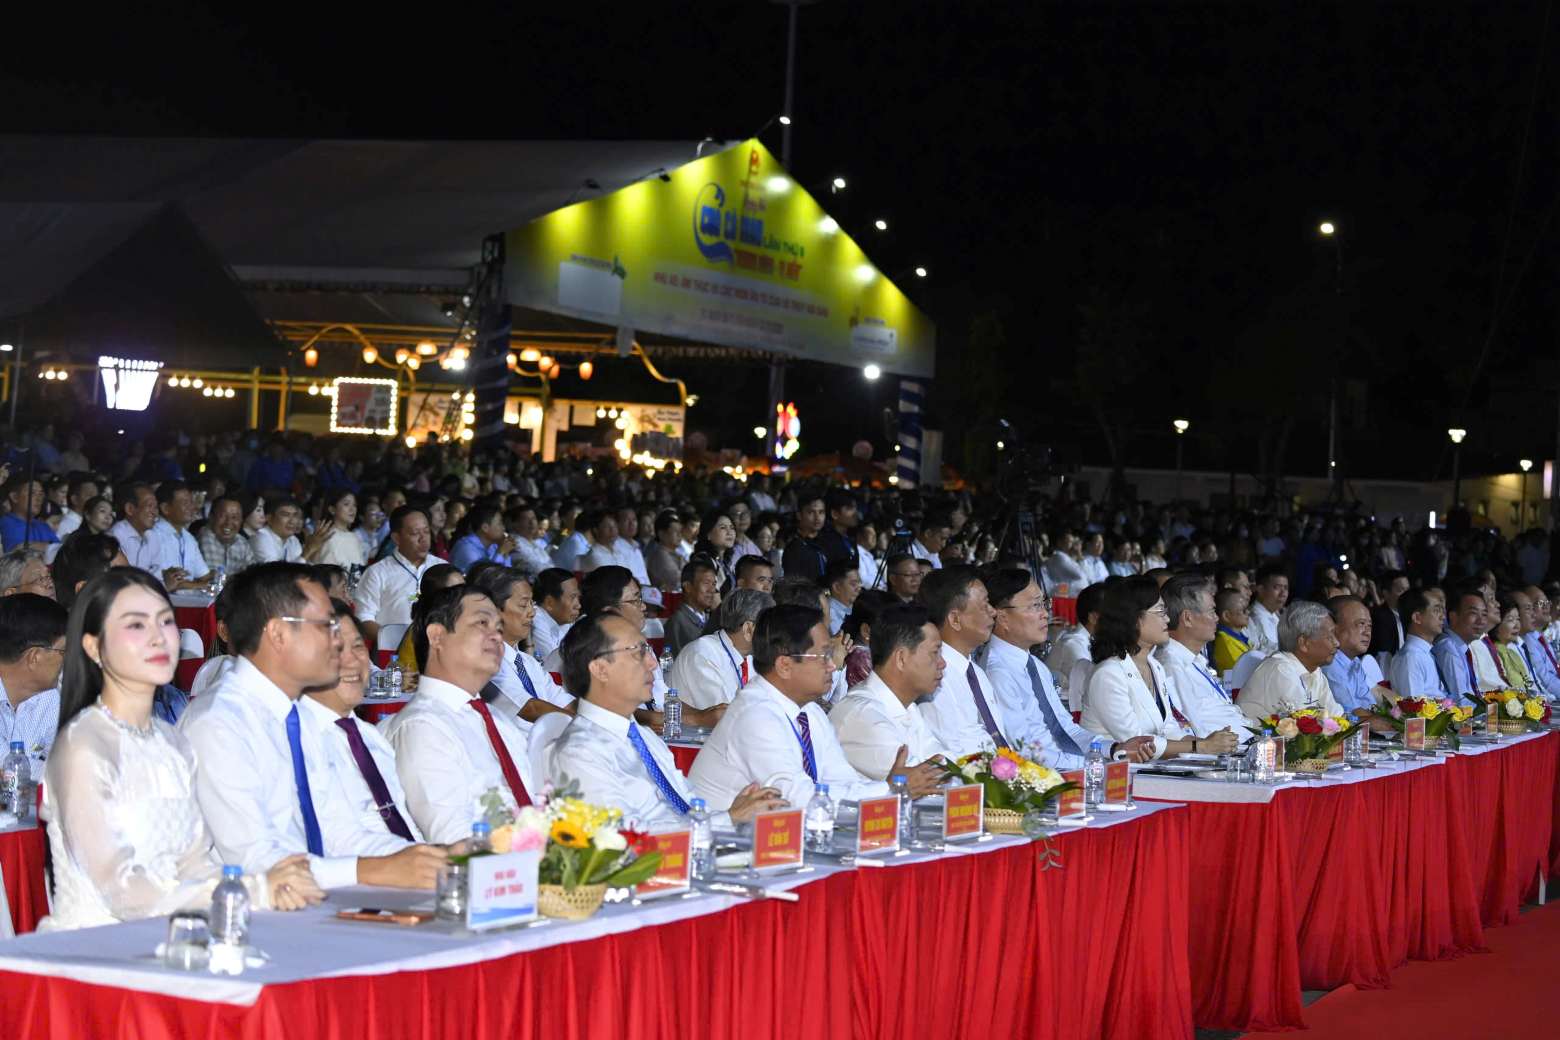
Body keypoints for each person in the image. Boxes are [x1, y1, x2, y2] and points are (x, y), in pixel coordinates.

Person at [40, 568, 323, 930]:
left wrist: (252, 887)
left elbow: (195, 864)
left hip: (175, 937)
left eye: (166, 621)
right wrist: (252, 891)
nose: (158, 638)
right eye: (136, 625)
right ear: (94, 646)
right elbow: (122, 891)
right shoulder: (83, 745)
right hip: (100, 954)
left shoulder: (172, 742)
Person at [181, 563, 446, 890]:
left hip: (314, 892)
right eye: (325, 627)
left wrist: (430, 860)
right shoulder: (219, 723)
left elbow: (338, 829)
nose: (339, 645)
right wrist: (366, 872)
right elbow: (253, 859)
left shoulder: (302, 718)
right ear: (278, 634)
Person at [548, 611, 785, 830]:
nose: (652, 663)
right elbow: (625, 838)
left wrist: (731, 811)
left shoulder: (643, 736)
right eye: (638, 652)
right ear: (600, 669)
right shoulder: (580, 752)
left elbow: (688, 804)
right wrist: (728, 819)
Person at [690, 604, 892, 811]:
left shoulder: (809, 711)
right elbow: (795, 798)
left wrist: (887, 791)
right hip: (720, 837)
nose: (832, 665)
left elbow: (842, 779)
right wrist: (890, 790)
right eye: (823, 656)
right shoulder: (754, 715)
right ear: (785, 665)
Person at [382, 586, 537, 844]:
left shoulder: (498, 722)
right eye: (481, 623)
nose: (497, 637)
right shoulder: (422, 727)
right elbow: (452, 839)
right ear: (437, 636)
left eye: (499, 628)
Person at [983, 569, 1155, 768]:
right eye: (1035, 605)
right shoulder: (997, 673)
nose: (1045, 614)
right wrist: (1092, 763)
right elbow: (1022, 750)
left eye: (1045, 604)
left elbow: (1066, 730)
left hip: (1067, 768)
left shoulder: (1035, 666)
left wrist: (1114, 749)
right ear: (1002, 617)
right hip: (1041, 777)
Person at [299, 604, 426, 848]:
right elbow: (332, 843)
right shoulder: (296, 740)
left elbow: (403, 819)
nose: (353, 660)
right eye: (336, 648)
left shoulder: (371, 736)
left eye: (358, 646)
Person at [1081, 577, 1232, 760]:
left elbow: (1167, 727)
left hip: (1151, 770)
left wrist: (1209, 745)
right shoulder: (1109, 674)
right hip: (1112, 775)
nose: (1168, 619)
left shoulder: (1155, 666)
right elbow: (1135, 741)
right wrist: (1200, 746)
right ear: (1135, 618)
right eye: (1161, 612)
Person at [831, 603, 959, 785]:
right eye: (934, 653)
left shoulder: (909, 708)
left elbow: (947, 762)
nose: (942, 663)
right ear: (901, 658)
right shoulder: (863, 714)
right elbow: (925, 781)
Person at [466, 567, 574, 730]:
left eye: (532, 603)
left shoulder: (527, 662)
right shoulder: (483, 662)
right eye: (524, 605)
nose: (532, 613)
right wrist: (582, 723)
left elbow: (564, 701)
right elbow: (530, 708)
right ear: (494, 610)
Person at [918, 566, 1009, 758]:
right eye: (985, 605)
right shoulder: (934, 677)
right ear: (955, 619)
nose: (993, 612)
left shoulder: (976, 673)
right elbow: (954, 755)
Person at [1153, 574, 1256, 743]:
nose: (1217, 618)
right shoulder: (1171, 666)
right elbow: (1194, 730)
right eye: (1211, 611)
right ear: (1188, 618)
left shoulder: (1194, 660)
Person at [1236, 601, 1348, 721]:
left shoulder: (1315, 671)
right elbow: (1304, 729)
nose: (1337, 643)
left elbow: (1337, 719)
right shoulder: (1281, 670)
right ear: (1304, 643)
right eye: (1330, 636)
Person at [354, 505, 445, 647]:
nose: (423, 538)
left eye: (426, 531)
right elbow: (363, 618)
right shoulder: (377, 572)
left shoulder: (442, 568)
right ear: (397, 538)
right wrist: (398, 642)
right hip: (392, 654)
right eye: (415, 533)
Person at [668, 588, 771, 711]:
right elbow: (725, 716)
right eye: (769, 626)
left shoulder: (748, 658)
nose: (773, 634)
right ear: (748, 629)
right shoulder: (702, 654)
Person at [0, 593, 68, 775]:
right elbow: (7, 770)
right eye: (63, 651)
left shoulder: (49, 698)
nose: (67, 660)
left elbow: (69, 757)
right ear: (34, 657)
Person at [1320, 595, 1393, 721]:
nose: (1367, 632)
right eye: (1361, 624)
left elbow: (1369, 705)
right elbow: (1353, 715)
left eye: (1369, 626)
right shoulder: (1330, 663)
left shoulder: (1354, 661)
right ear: (1334, 628)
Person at [1045, 580, 1104, 710]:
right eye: (1113, 616)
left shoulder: (1095, 641)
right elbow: (1095, 692)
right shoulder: (1073, 645)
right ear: (1094, 618)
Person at [110, 483, 179, 586]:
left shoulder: (153, 537)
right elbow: (120, 581)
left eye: (155, 507)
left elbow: (157, 578)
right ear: (130, 509)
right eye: (149, 506)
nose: (155, 513)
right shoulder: (115, 536)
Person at [1432, 582, 1489, 700]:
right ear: (1453, 616)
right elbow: (1461, 700)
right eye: (1473, 613)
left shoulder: (1461, 647)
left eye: (1484, 614)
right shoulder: (1448, 648)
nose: (1481, 621)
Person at [1388, 587, 1447, 700]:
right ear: (1417, 618)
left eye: (1442, 611)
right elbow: (1414, 710)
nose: (1443, 617)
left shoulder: (1424, 652)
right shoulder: (1411, 657)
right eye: (1436, 610)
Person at [152, 481, 212, 591]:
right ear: (165, 508)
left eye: (191, 502)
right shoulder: (154, 535)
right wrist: (202, 586)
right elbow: (170, 581)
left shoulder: (189, 539)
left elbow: (205, 577)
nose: (192, 507)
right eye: (185, 503)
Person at [665, 558, 721, 656]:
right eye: (706, 583)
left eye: (714, 584)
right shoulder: (677, 622)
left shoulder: (708, 617)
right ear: (688, 587)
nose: (712, 590)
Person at [198, 495, 257, 578]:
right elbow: (215, 579)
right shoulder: (206, 536)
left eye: (235, 517)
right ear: (211, 517)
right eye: (223, 516)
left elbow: (253, 575)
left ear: (241, 521)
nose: (228, 522)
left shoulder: (241, 542)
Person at [449, 502, 516, 574]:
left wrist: (505, 554)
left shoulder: (493, 546)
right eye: (500, 523)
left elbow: (507, 575)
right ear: (485, 528)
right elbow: (486, 579)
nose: (503, 528)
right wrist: (500, 553)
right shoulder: (466, 548)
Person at [1519, 585, 1560, 700]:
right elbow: (1546, 681)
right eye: (1539, 603)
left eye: (1546, 601)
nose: (1546, 606)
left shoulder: (1540, 637)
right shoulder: (1527, 640)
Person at [531, 567, 581, 660]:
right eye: (572, 597)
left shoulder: (563, 618)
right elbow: (555, 663)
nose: (578, 605)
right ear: (550, 602)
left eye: (578, 597)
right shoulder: (535, 618)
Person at [310, 489, 366, 570]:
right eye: (346, 504)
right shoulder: (325, 535)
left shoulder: (354, 537)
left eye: (355, 505)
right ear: (332, 509)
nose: (352, 509)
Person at [0, 475, 56, 552]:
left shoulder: (43, 525)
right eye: (32, 493)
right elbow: (19, 553)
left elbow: (61, 551)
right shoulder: (6, 524)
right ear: (14, 497)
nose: (39, 499)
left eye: (41, 494)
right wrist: (50, 547)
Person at [781, 492, 829, 580]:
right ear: (799, 515)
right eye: (811, 512)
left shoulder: (828, 542)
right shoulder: (794, 549)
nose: (817, 517)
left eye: (821, 512)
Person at [1247, 564, 1289, 653]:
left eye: (1285, 588)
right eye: (1277, 587)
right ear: (1261, 589)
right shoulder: (1250, 619)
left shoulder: (1278, 616)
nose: (1283, 593)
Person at [251, 497, 307, 564]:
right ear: (269, 518)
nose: (292, 521)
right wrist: (308, 551)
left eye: (295, 515)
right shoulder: (260, 538)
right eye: (286, 515)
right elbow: (275, 572)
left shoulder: (293, 540)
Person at [1368, 570, 1410, 659]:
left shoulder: (1410, 616)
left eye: (1407, 590)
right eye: (1401, 590)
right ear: (1386, 593)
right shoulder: (1378, 618)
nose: (1406, 595)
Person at [1211, 587, 1254, 674]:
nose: (1248, 612)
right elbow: (1243, 671)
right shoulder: (1224, 641)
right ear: (1226, 616)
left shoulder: (1239, 637)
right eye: (1243, 610)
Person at [644, 509, 683, 592]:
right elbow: (677, 579)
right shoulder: (659, 555)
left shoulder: (675, 553)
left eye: (680, 531)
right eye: (675, 531)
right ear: (661, 534)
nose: (679, 535)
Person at [53, 473, 99, 541]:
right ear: (74, 499)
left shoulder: (90, 524)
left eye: (97, 496)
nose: (96, 501)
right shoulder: (66, 526)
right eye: (90, 495)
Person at [823, 558, 862, 635]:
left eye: (859, 583)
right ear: (836, 587)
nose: (859, 588)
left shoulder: (855, 608)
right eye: (853, 584)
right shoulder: (829, 613)